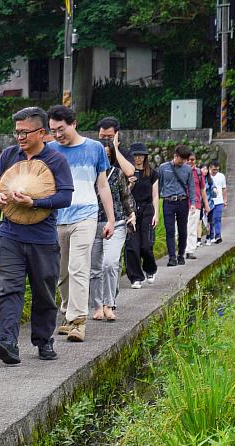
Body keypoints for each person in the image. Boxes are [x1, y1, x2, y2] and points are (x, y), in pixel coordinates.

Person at [0, 107, 73, 365]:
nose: (19, 137)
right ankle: (6, 342)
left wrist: (34, 202)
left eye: (24, 132)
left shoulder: (56, 161)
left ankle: (44, 340)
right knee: (8, 288)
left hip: (42, 238)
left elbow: (65, 196)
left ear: (42, 133)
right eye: (17, 132)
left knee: (43, 291)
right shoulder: (9, 155)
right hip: (9, 234)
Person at [47, 104, 115, 343]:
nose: (57, 134)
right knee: (62, 271)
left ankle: (78, 321)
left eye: (61, 129)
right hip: (57, 218)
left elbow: (103, 185)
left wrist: (111, 218)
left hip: (85, 215)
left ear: (73, 123)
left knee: (78, 267)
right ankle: (67, 315)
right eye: (53, 130)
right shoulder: (50, 150)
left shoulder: (94, 148)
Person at [90, 133, 135, 321]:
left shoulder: (117, 174)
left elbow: (125, 196)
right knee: (94, 268)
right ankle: (97, 306)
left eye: (108, 156)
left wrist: (131, 213)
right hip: (91, 223)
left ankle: (109, 304)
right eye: (102, 156)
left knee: (110, 263)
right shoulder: (88, 173)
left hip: (115, 223)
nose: (105, 159)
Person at [125, 143, 159, 288]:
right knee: (132, 246)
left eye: (141, 155)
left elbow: (155, 195)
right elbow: (123, 193)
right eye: (135, 155)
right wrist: (130, 184)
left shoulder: (152, 173)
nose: (138, 158)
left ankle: (150, 269)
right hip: (131, 210)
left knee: (146, 244)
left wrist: (156, 214)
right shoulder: (127, 173)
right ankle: (135, 277)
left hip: (147, 209)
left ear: (145, 157)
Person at [157, 145, 194, 266]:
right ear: (175, 155)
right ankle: (172, 257)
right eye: (182, 159)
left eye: (185, 160)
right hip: (168, 202)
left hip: (183, 202)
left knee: (183, 230)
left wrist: (193, 203)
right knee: (170, 230)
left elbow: (191, 187)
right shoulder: (163, 168)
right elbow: (158, 186)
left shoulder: (188, 169)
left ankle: (181, 254)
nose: (183, 162)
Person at [185, 152, 210, 259]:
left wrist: (207, 205)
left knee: (192, 228)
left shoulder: (199, 173)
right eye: (189, 159)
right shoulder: (181, 171)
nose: (191, 161)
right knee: (181, 229)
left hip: (196, 204)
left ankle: (190, 250)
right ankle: (182, 249)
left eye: (193, 159)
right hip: (182, 204)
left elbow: (203, 190)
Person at [207, 161, 227, 244]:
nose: (215, 171)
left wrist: (225, 200)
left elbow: (224, 188)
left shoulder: (221, 176)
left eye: (217, 170)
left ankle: (218, 236)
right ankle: (211, 236)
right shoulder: (206, 176)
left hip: (219, 201)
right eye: (214, 169)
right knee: (210, 220)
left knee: (217, 219)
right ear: (210, 168)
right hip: (209, 201)